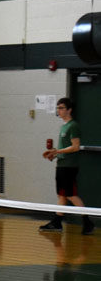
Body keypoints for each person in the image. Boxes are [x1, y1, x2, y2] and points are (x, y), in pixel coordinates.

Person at [39, 97, 94, 235]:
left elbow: (75, 147)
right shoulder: (63, 126)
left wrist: (57, 151)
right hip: (62, 164)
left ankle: (87, 221)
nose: (59, 110)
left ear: (69, 110)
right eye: (58, 108)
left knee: (70, 195)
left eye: (62, 108)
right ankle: (57, 223)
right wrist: (55, 154)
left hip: (69, 166)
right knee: (61, 195)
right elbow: (65, 148)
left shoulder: (73, 126)